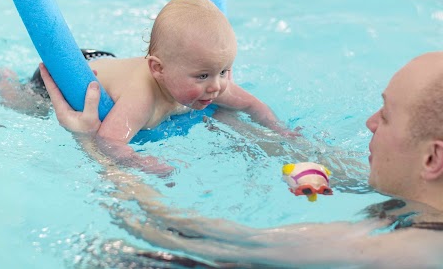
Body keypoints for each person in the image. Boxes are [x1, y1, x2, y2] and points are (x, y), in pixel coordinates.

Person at [44, 51, 443, 267]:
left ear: (432, 159)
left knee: (108, 257)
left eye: (386, 116)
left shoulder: (398, 256)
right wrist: (226, 114)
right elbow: (313, 158)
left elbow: (180, 232)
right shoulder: (423, 199)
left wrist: (90, 142)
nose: (370, 123)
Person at [0, 0, 300, 174]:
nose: (216, 87)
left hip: (107, 63)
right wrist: (143, 163)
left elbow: (252, 105)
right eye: (203, 76)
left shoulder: (210, 82)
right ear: (158, 69)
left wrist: (280, 130)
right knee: (22, 106)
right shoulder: (143, 96)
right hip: (67, 76)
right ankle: (2, 78)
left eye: (224, 71)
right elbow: (109, 141)